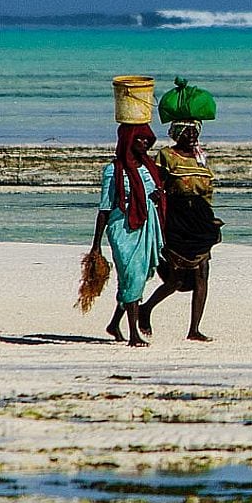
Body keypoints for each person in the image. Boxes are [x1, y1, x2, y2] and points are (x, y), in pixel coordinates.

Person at [137, 120, 221, 341]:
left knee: (202, 273)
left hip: (200, 220)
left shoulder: (201, 156)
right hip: (177, 219)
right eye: (188, 131)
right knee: (175, 278)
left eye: (195, 131)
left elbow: (206, 189)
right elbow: (156, 184)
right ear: (177, 134)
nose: (193, 135)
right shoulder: (166, 155)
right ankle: (145, 309)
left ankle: (194, 329)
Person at [92, 122, 165, 346]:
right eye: (139, 139)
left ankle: (114, 325)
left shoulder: (149, 167)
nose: (144, 144)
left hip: (146, 225)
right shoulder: (112, 170)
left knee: (135, 278)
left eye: (147, 140)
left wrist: (155, 197)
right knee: (131, 275)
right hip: (121, 226)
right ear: (127, 141)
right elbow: (104, 208)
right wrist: (96, 245)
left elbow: (157, 191)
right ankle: (134, 335)